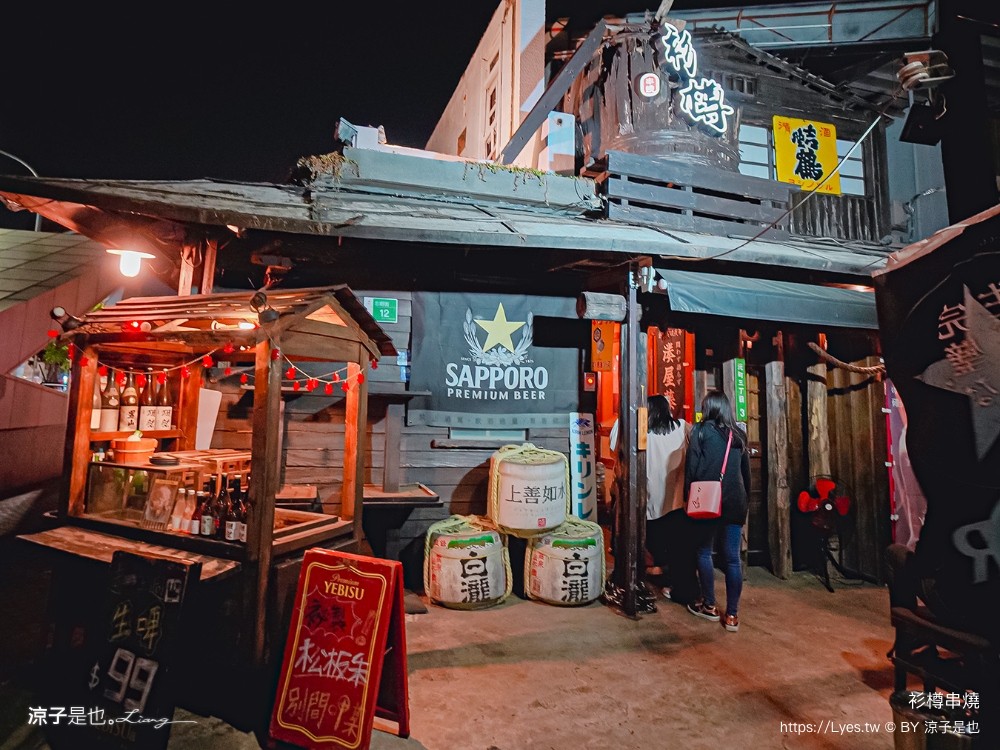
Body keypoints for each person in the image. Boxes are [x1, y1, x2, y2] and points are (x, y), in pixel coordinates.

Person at [684, 390, 752, 632]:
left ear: (708, 408)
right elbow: (746, 473)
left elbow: (691, 468)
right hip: (735, 501)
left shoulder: (700, 431)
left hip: (707, 500)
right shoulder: (739, 435)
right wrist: (745, 500)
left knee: (704, 552)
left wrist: (687, 497)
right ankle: (732, 615)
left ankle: (710, 605)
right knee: (732, 558)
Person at [643, 395, 697, 604]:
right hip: (676, 499)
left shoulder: (643, 433)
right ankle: (676, 581)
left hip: (651, 498)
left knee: (656, 539)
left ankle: (660, 571)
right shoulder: (683, 428)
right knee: (678, 545)